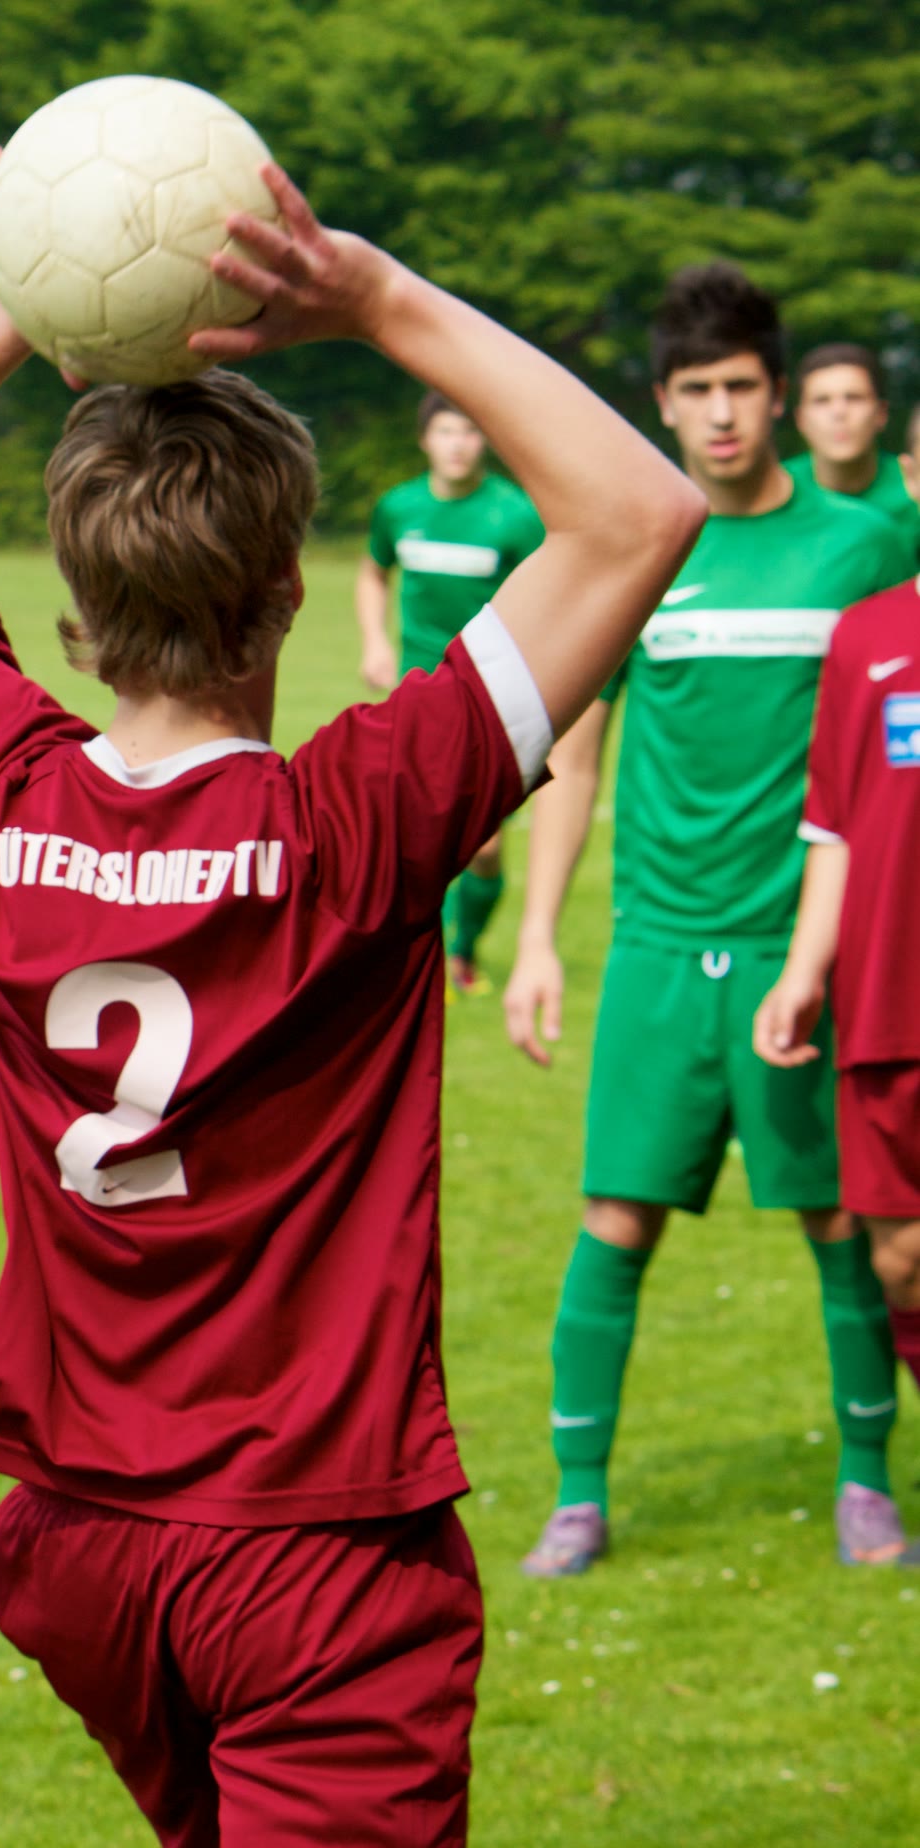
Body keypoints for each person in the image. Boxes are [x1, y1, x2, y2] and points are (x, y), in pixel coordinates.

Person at [0, 146, 702, 1848]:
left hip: (79, 1543)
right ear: (291, 588)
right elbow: (637, 508)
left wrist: (33, 292)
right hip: (314, 1553)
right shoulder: (361, 820)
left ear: (71, 605)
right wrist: (372, 296)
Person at [503, 263, 915, 1579]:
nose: (721, 413)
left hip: (811, 955)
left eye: (741, 386)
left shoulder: (866, 544)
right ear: (663, 402)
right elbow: (572, 752)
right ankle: (576, 1498)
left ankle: (866, 1485)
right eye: (696, 390)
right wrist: (534, 936)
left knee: (841, 1226)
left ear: (777, 394)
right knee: (613, 1219)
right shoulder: (636, 544)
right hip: (658, 948)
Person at [754, 573, 920, 1565]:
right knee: (900, 1258)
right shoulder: (867, 633)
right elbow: (834, 825)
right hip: (889, 999)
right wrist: (804, 971)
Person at [357, 393, 544, 991]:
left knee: (483, 848)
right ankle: (409, 958)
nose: (457, 444)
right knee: (405, 833)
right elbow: (373, 571)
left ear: (483, 439)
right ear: (425, 440)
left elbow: (543, 599)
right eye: (445, 431)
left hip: (489, 697)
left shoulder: (515, 515)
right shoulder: (399, 507)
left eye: (468, 431)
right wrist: (375, 642)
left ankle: (464, 951)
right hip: (415, 693)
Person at [787, 343, 920, 562]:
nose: (839, 412)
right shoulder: (776, 491)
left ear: (881, 413)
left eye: (854, 398)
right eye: (822, 400)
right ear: (800, 419)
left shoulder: (913, 487)